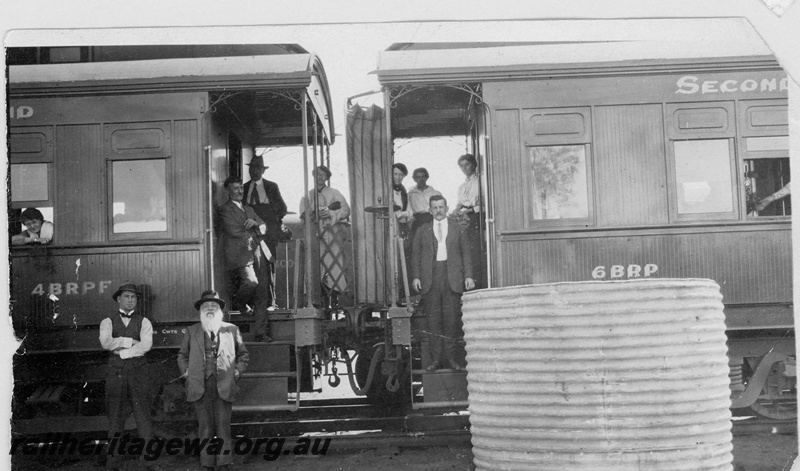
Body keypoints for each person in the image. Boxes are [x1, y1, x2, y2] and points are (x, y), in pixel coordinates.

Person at [177, 290, 249, 471]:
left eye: (213, 306)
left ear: (219, 310)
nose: (210, 309)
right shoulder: (192, 331)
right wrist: (187, 372)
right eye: (206, 306)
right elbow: (182, 355)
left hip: (224, 383)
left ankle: (224, 463)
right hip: (200, 385)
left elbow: (243, 355)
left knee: (223, 426)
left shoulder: (231, 330)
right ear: (200, 310)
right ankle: (207, 463)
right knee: (205, 428)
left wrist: (237, 373)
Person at [412, 195, 474, 372]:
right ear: (430, 210)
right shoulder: (422, 230)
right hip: (430, 279)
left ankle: (452, 360)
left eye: (441, 207)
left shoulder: (457, 229)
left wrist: (468, 276)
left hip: (452, 278)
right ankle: (436, 360)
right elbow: (415, 256)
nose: (438, 210)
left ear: (446, 208)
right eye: (435, 208)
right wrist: (416, 277)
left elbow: (466, 254)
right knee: (434, 322)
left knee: (451, 321)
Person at [99, 281, 157, 471]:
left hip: (139, 373)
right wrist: (130, 341)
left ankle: (148, 462)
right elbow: (106, 342)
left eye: (133, 297)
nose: (130, 300)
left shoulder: (145, 322)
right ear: (118, 299)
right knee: (115, 417)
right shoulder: (107, 321)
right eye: (126, 296)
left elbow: (145, 346)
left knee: (143, 417)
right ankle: (113, 463)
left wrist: (122, 351)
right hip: (115, 374)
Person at [243, 155, 288, 312]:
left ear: (262, 170)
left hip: (268, 233)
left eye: (257, 168)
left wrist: (270, 221)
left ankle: (270, 301)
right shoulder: (244, 187)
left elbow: (282, 208)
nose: (254, 171)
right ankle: (254, 303)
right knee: (252, 266)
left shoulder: (271, 186)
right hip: (250, 233)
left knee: (268, 265)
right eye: (251, 168)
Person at [217, 176, 267, 318]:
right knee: (251, 282)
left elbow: (264, 226)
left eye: (241, 188)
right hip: (239, 255)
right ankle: (239, 303)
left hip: (255, 254)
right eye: (236, 188)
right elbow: (234, 230)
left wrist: (256, 224)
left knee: (261, 289)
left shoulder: (249, 209)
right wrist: (254, 232)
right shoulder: (224, 210)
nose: (240, 191)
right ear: (228, 190)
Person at [300, 165, 351, 299]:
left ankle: (335, 297)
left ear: (327, 177)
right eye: (317, 174)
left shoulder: (335, 193)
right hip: (316, 236)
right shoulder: (308, 195)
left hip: (332, 235)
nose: (319, 177)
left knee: (334, 266)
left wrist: (331, 213)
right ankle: (316, 298)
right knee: (315, 266)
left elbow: (345, 210)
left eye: (323, 174)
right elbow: (303, 214)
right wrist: (314, 214)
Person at [455, 153, 484, 289]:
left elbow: (483, 205)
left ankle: (477, 282)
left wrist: (469, 211)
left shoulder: (480, 182)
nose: (464, 168)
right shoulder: (462, 186)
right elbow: (460, 203)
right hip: (464, 218)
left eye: (467, 164)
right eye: (461, 166)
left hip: (475, 218)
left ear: (473, 164)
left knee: (474, 250)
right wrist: (457, 210)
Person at [406, 167, 442, 243]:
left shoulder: (435, 193)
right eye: (418, 177)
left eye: (423, 176)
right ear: (414, 179)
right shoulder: (410, 194)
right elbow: (408, 211)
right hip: (417, 221)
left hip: (431, 219)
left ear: (427, 177)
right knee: (415, 244)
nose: (421, 179)